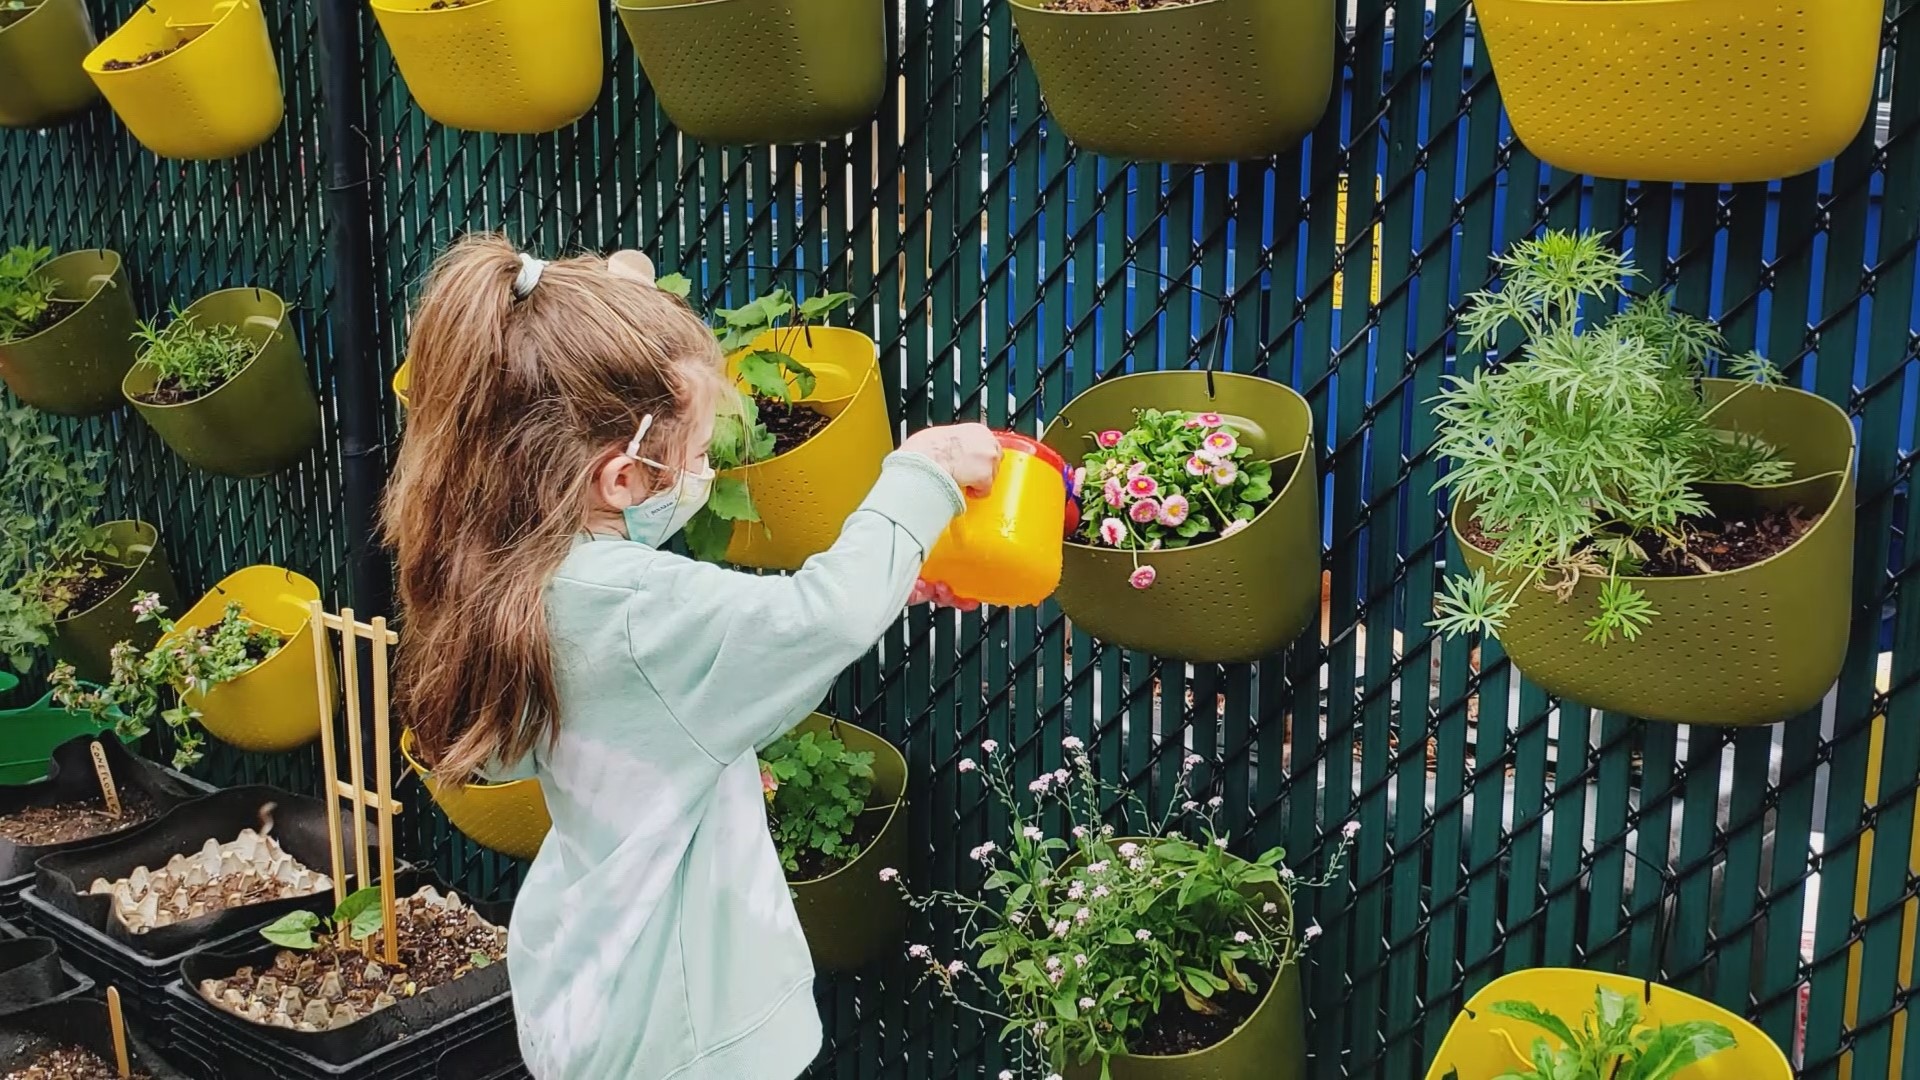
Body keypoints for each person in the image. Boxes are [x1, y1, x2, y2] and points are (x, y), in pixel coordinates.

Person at [382, 234, 1000, 1079]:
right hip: (685, 1027)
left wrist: (897, 571)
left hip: (588, 984)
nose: (706, 472)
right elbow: (822, 617)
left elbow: (688, 683)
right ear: (622, 478)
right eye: (699, 454)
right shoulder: (635, 610)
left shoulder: (517, 576)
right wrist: (919, 477)